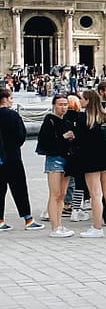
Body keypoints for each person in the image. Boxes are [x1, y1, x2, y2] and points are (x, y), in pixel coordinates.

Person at [72, 89, 106, 237]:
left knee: (96, 194)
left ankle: (97, 228)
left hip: (91, 159)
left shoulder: (84, 118)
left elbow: (79, 139)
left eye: (82, 99)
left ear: (88, 101)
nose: (80, 101)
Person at [35, 93, 75, 237]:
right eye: (60, 104)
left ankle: (59, 224)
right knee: (55, 194)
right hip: (54, 159)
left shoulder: (68, 121)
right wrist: (63, 137)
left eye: (65, 104)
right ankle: (54, 226)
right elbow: (46, 141)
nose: (63, 107)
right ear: (54, 105)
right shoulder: (49, 120)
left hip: (67, 159)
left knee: (62, 194)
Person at [0, 87, 41, 229]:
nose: (12, 101)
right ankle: (28, 219)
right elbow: (20, 136)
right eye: (11, 98)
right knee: (19, 188)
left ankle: (0, 221)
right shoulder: (12, 115)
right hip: (12, 157)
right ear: (5, 98)